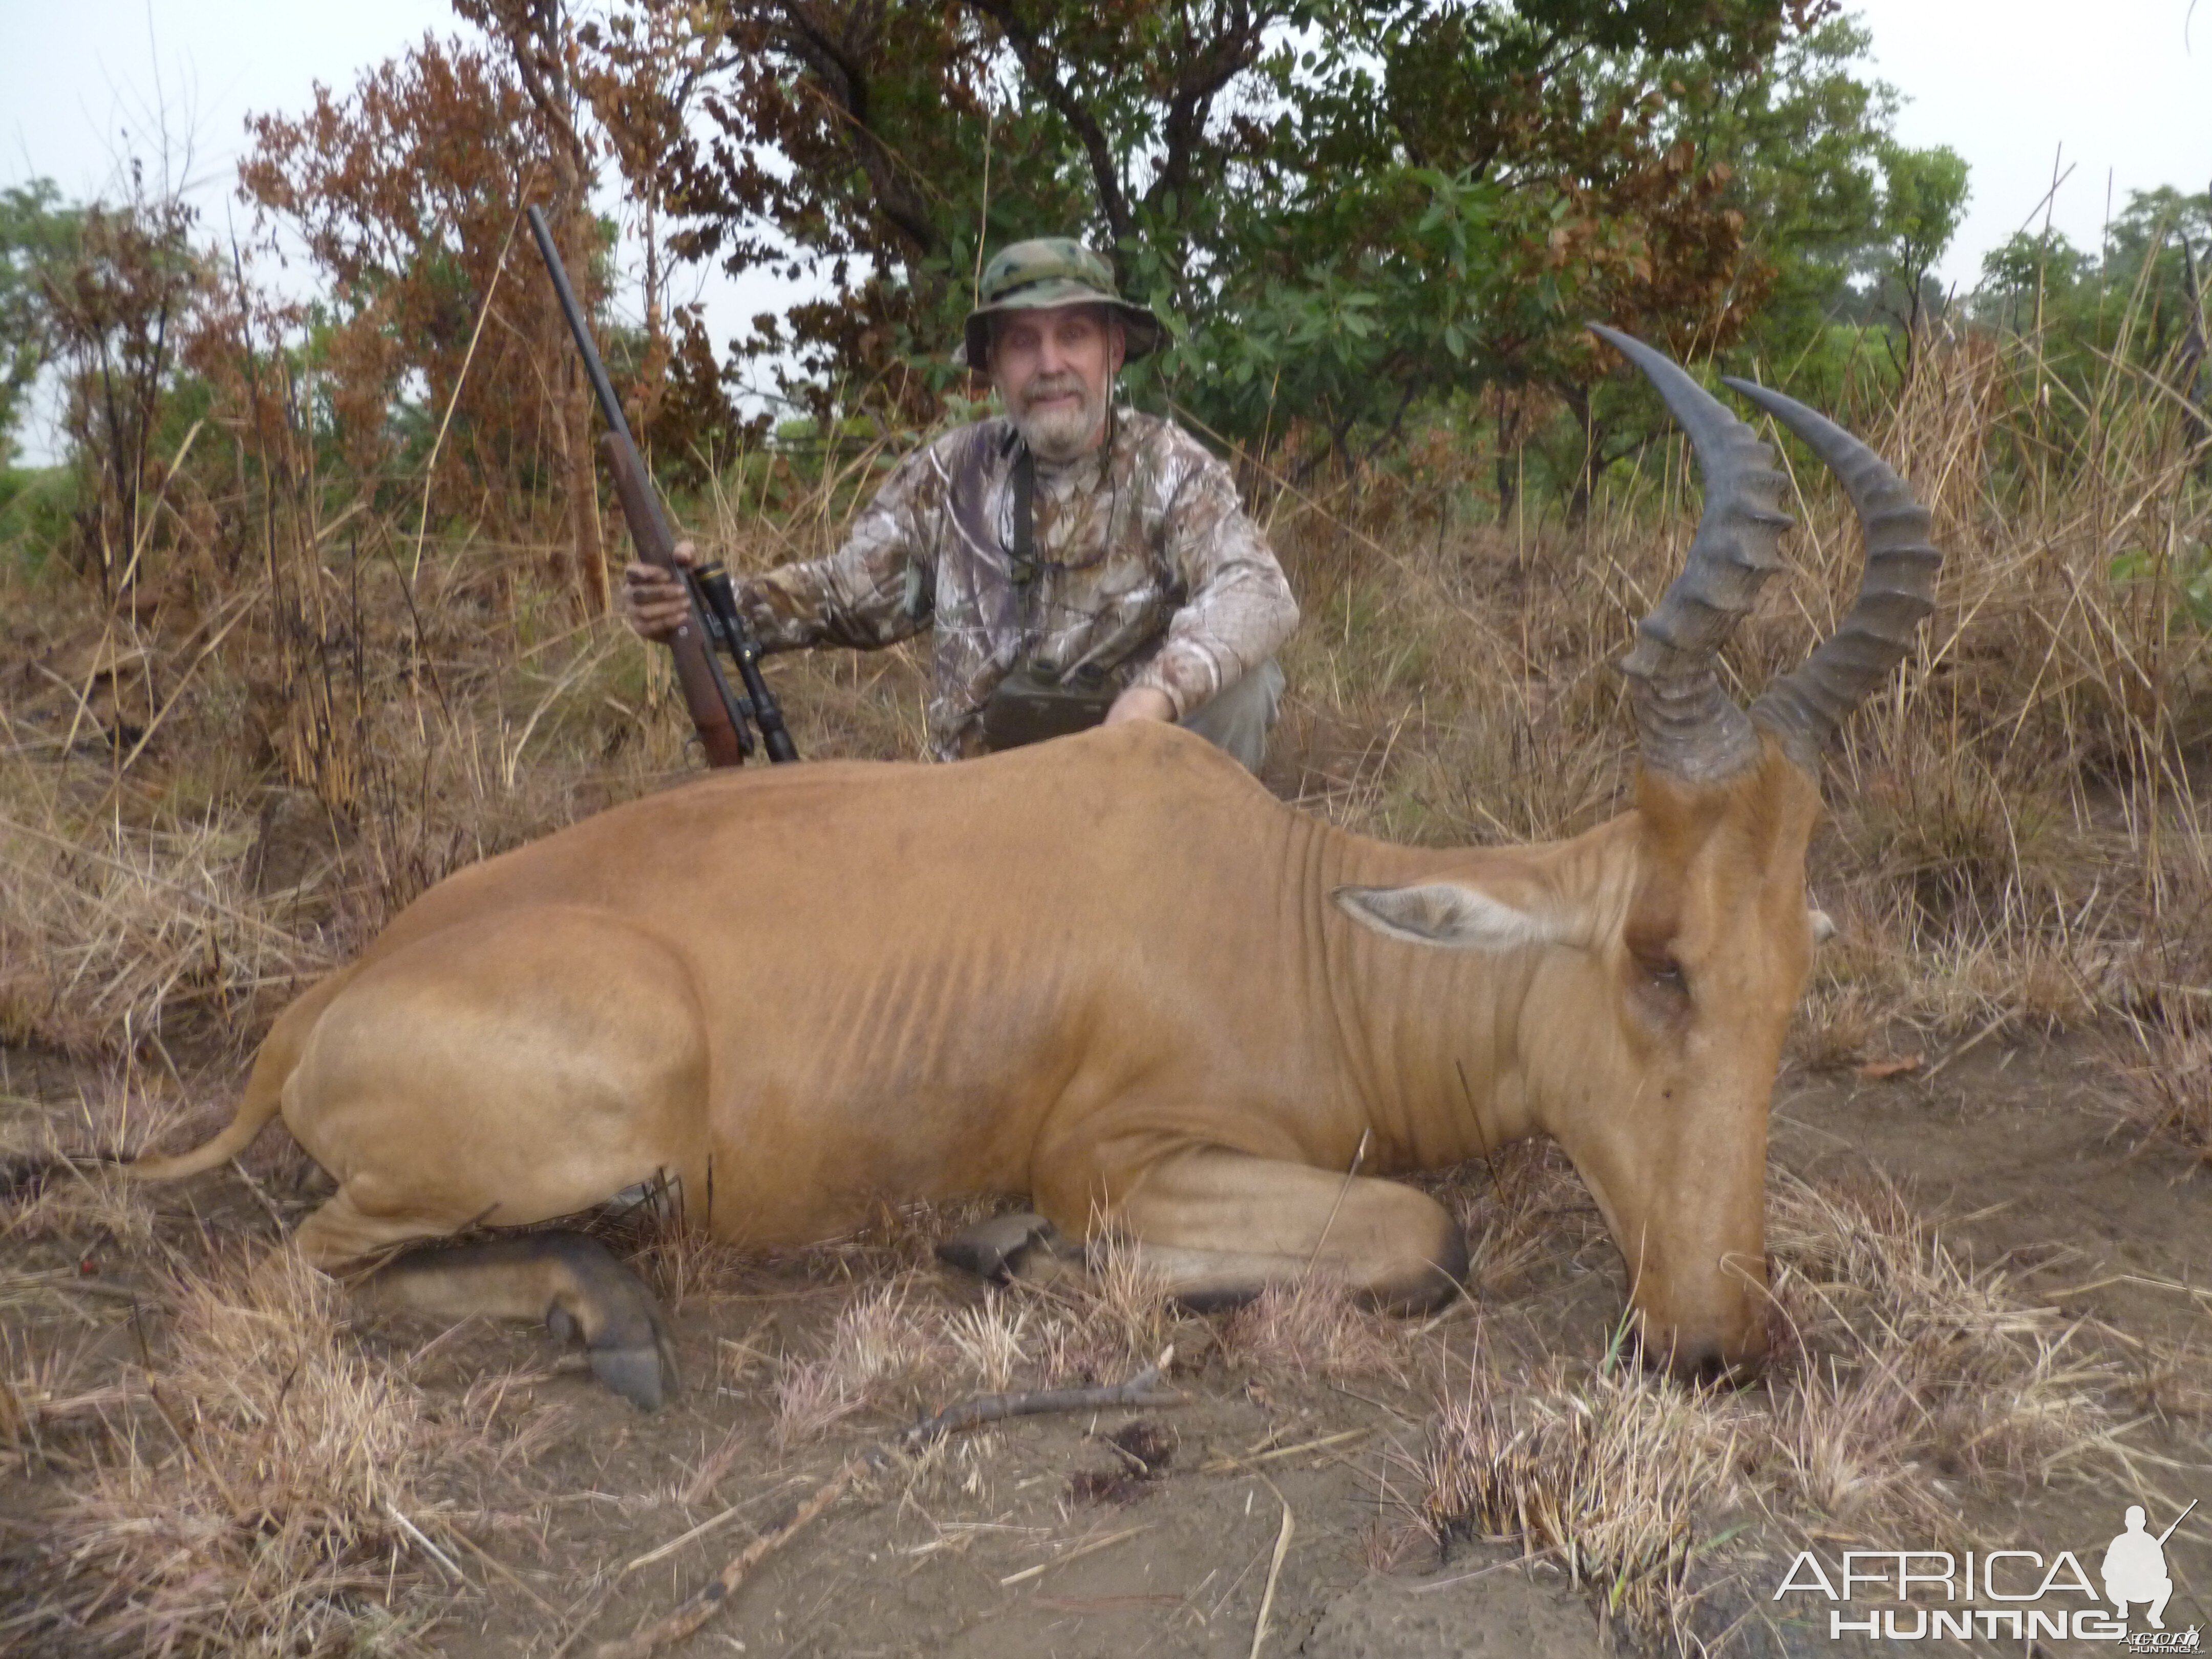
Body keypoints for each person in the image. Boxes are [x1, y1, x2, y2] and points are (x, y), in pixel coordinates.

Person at [622, 238, 1298, 769]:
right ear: (995, 365)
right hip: (980, 807)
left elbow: (1257, 589)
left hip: (1132, 788)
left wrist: (1153, 699)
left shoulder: (1173, 467)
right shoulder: (950, 473)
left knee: (1246, 685)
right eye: (1023, 342)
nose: (1050, 363)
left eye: (1074, 336)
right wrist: (706, 607)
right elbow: (845, 594)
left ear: (1113, 351)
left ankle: (1187, 893)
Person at [2102, 1504, 2174, 1627]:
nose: (2135, 1524)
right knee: (2110, 1584)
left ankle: (2155, 1615)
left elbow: (2163, 1571)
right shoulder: (2119, 1541)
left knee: (2167, 1584)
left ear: (2144, 1523)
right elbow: (2107, 1570)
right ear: (2126, 1522)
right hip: (2124, 1589)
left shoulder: (2151, 1543)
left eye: (2138, 1521)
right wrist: (2122, 1570)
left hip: (2145, 1588)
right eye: (2132, 1521)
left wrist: (2148, 1569)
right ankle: (2122, 1606)